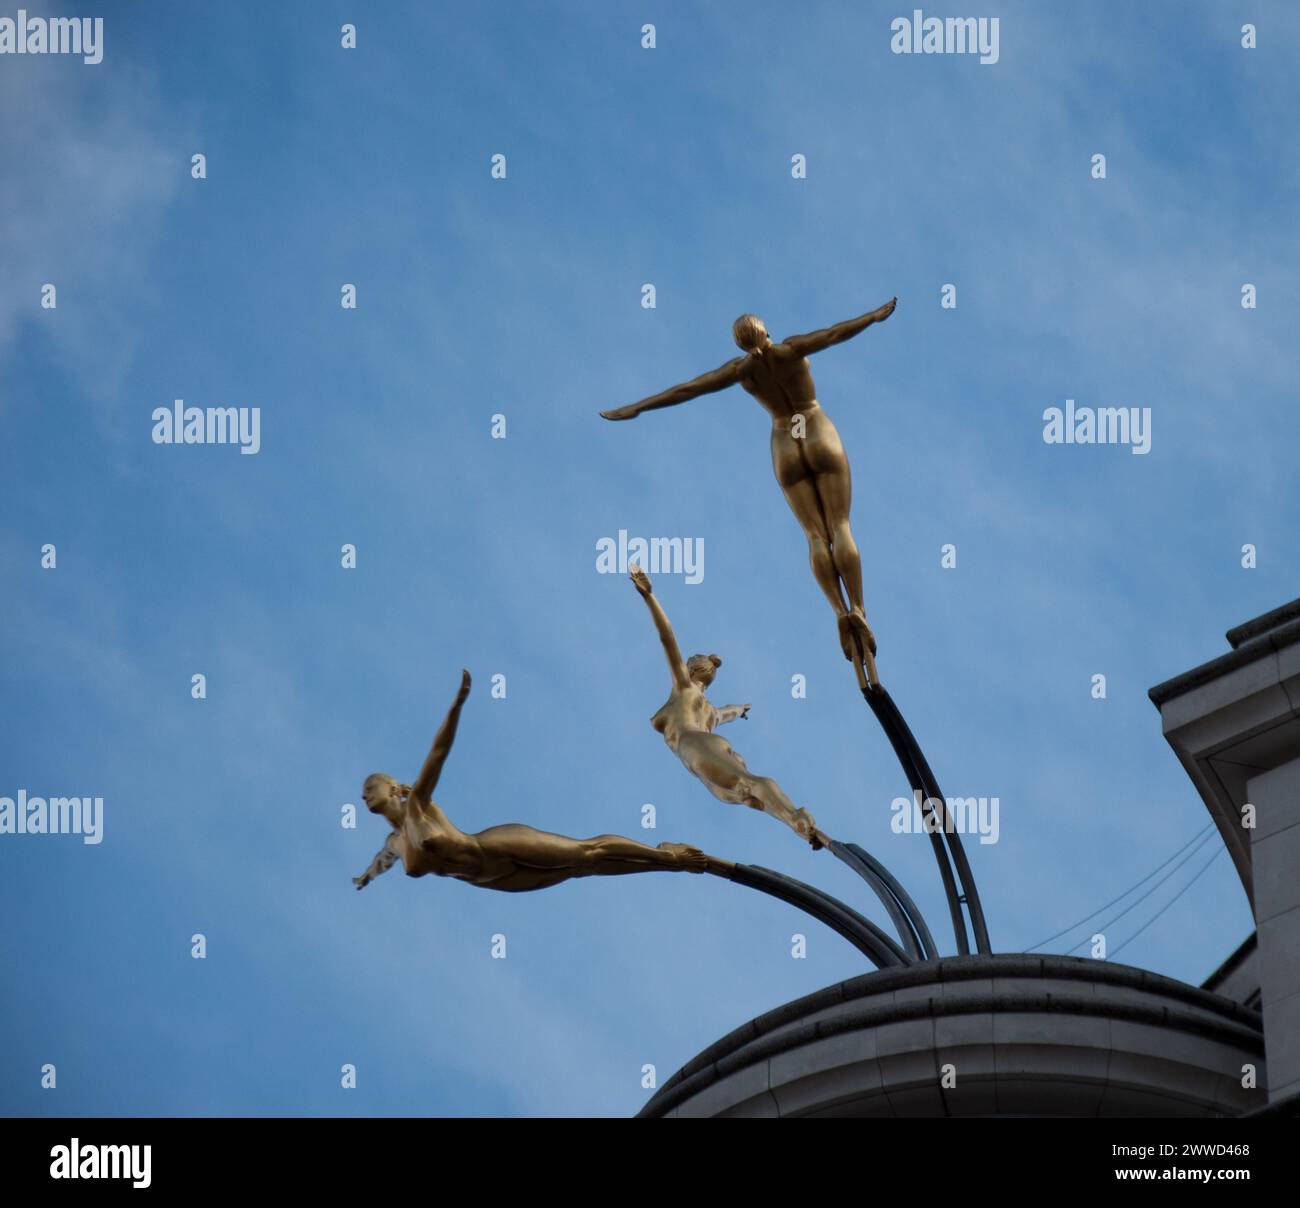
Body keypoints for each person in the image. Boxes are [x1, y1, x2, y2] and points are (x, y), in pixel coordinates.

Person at [601, 298, 897, 673]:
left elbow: (687, 390)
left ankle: (838, 611)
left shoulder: (741, 371)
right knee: (840, 525)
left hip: (785, 442)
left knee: (814, 535)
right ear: (766, 331)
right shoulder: (791, 349)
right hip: (815, 427)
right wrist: (873, 317)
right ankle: (858, 608)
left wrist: (637, 407)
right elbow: (835, 333)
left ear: (740, 344)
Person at [354, 669, 725, 893]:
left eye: (371, 786)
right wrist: (364, 877)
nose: (364, 794)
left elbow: (438, 753)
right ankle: (668, 861)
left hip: (495, 847)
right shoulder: (393, 842)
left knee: (586, 852)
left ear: (392, 788)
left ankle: (667, 855)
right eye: (363, 791)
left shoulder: (419, 804)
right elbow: (384, 860)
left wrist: (457, 706)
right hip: (491, 880)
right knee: (585, 869)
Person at [629, 566, 828, 849]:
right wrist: (741, 708)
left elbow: (667, 637)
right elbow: (728, 712)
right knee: (748, 797)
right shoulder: (709, 712)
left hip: (696, 746)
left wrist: (649, 596)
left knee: (749, 784)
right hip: (705, 753)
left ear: (689, 670)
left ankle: (796, 815)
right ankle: (796, 824)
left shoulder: (684, 689)